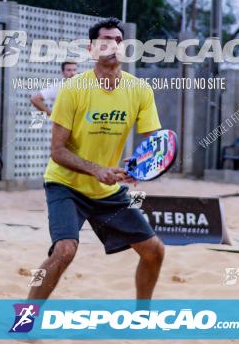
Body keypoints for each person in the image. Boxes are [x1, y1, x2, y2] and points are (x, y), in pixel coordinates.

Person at [27, 18, 164, 301]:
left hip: (108, 191)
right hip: (66, 185)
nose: (112, 45)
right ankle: (25, 318)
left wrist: (138, 168)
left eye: (118, 40)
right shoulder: (74, 89)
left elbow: (154, 144)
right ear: (92, 50)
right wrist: (96, 170)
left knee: (154, 251)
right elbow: (58, 150)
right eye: (105, 40)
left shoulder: (140, 90)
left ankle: (141, 316)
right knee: (65, 250)